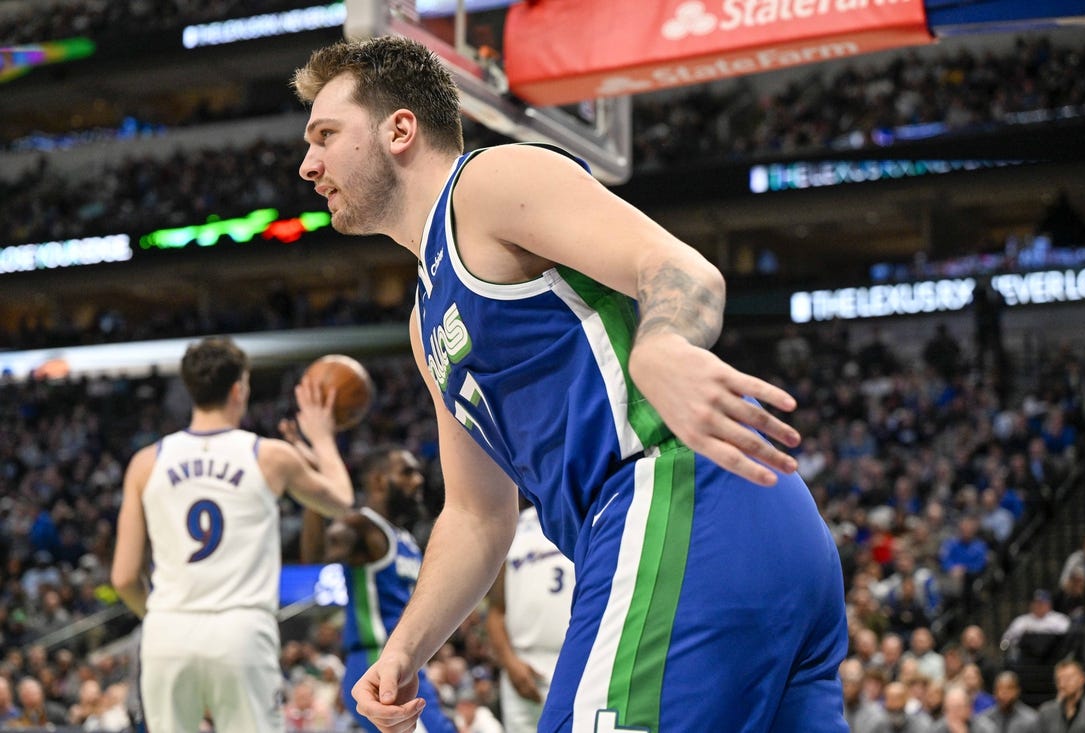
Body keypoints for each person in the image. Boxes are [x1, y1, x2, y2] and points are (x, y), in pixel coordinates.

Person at [293, 36, 849, 732]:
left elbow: (680, 269)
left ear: (398, 129)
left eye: (325, 134)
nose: (307, 163)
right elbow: (477, 514)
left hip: (676, 494)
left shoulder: (489, 185)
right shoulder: (424, 314)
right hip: (747, 528)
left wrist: (663, 342)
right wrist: (405, 647)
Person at [110, 336, 355, 733]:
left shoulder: (144, 463)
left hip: (168, 630)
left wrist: (160, 617)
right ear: (239, 389)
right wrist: (323, 438)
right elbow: (342, 501)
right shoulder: (269, 455)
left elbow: (122, 576)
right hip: (240, 631)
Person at [288, 435, 458, 733]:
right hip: (374, 659)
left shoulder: (405, 539)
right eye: (407, 472)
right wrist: (314, 494)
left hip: (407, 661)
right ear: (379, 480)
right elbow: (314, 554)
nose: (418, 480)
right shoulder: (362, 528)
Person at [485, 500, 575, 733]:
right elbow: (496, 611)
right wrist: (510, 664)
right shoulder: (512, 526)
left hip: (579, 659)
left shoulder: (590, 512)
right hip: (523, 666)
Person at [1037, 659, 1085, 731]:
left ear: (1082, 679)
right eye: (1059, 679)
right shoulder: (1046, 711)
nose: (1062, 684)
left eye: (1068, 678)